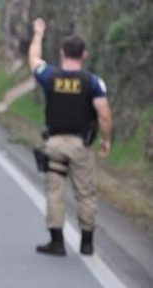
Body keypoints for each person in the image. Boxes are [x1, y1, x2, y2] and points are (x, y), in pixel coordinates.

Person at [28, 18, 112, 257]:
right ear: (84, 55)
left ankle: (57, 242)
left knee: (55, 191)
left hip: (54, 143)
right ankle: (87, 243)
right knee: (85, 193)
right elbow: (104, 115)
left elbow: (33, 60)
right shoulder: (93, 82)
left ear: (62, 53)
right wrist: (106, 140)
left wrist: (38, 34)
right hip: (80, 145)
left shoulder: (50, 76)